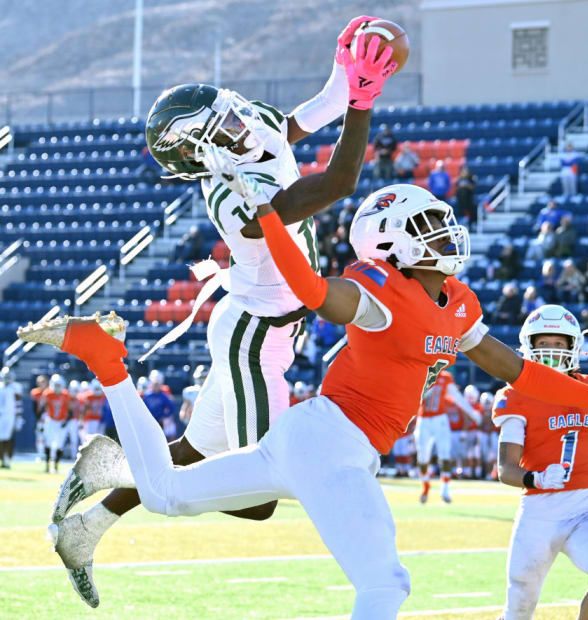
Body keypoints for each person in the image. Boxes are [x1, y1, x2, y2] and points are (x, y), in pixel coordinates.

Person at [20, 179, 588, 618]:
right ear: (392, 244)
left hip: (318, 437)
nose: (442, 229)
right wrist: (272, 224)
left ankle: (104, 358)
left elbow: (516, 369)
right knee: (385, 585)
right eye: (424, 225)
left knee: (166, 494)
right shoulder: (377, 288)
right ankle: (104, 377)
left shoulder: (458, 300)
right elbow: (310, 290)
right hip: (334, 444)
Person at [36, 15, 399, 608]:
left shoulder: (246, 137)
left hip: (260, 323)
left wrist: (347, 68)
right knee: (260, 497)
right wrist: (364, 104)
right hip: (255, 337)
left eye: (228, 113)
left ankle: (88, 522)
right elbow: (339, 180)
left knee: (193, 456)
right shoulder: (239, 201)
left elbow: (321, 104)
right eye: (222, 128)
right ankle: (113, 468)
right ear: (203, 153)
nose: (242, 124)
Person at [493, 304, 588, 620]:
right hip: (538, 513)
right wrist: (533, 478)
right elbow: (505, 468)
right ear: (529, 347)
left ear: (573, 346)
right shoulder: (516, 395)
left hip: (584, 509)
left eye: (558, 344)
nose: (551, 351)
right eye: (543, 344)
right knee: (519, 608)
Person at [414, 369, 481, 503]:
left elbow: (457, 397)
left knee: (445, 455)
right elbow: (414, 396)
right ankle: (425, 485)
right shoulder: (421, 373)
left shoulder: (446, 377)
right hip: (424, 419)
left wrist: (472, 413)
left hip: (440, 419)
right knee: (422, 456)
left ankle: (445, 489)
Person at [41, 374, 71, 473]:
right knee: (48, 443)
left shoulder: (66, 394)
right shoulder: (47, 393)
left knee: (59, 445)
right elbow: (42, 408)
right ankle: (47, 465)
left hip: (61, 421)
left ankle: (56, 466)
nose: (57, 387)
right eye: (56, 385)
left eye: (59, 385)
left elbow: (70, 411)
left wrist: (66, 422)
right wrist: (41, 421)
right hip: (50, 421)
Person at [0, 369, 16, 468]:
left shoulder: (15, 388)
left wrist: (19, 417)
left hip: (10, 416)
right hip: (1, 415)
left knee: (9, 438)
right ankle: (3, 459)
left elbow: (18, 404)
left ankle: (8, 459)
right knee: (1, 439)